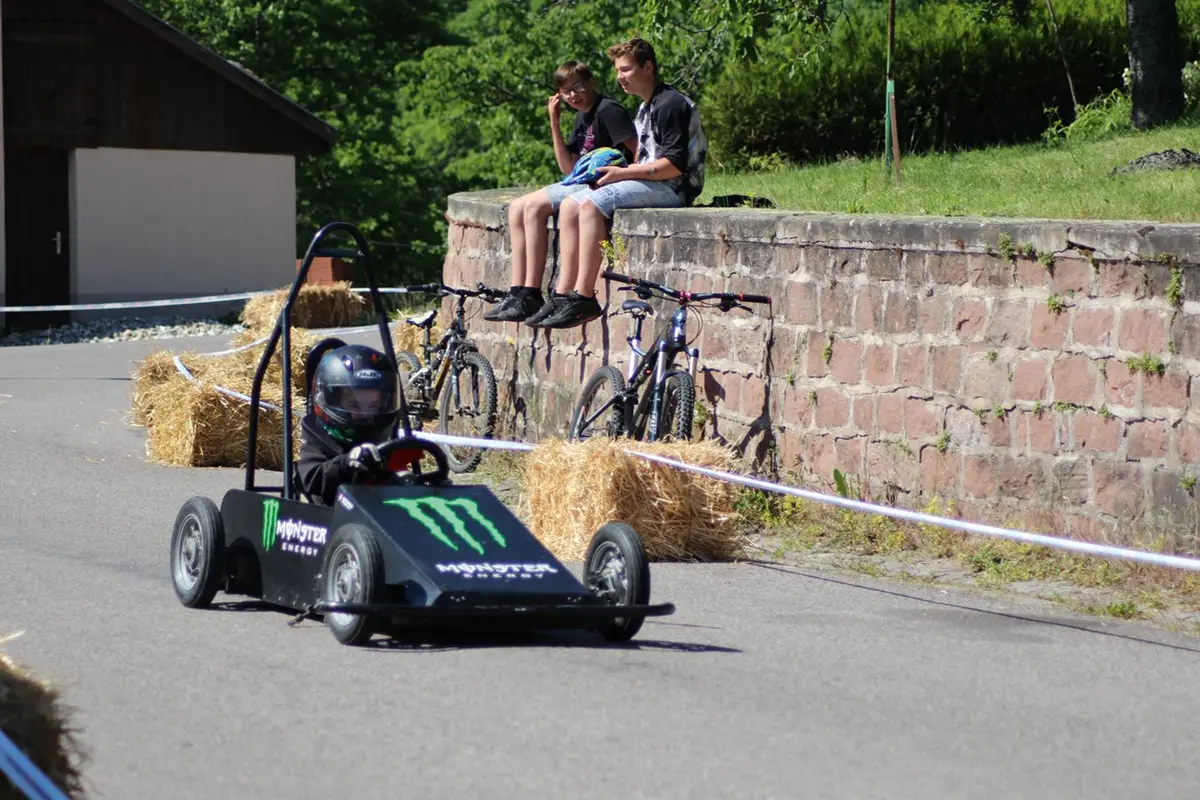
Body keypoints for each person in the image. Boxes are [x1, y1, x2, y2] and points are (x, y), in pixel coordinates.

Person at [533, 38, 708, 330]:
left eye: (626, 70)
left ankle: (584, 297)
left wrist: (623, 173)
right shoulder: (645, 107)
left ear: (648, 67)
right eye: (617, 71)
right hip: (653, 182)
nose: (620, 77)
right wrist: (622, 172)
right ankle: (563, 294)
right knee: (570, 205)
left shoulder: (670, 103)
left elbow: (674, 165)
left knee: (590, 205)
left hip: (673, 188)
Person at [484, 60, 638, 324]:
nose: (573, 95)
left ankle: (531, 293)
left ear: (592, 83)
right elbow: (569, 168)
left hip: (602, 182)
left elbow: (636, 149)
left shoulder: (608, 110)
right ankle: (520, 290)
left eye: (577, 87)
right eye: (566, 91)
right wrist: (554, 121)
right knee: (517, 207)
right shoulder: (582, 117)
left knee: (533, 207)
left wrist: (626, 176)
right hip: (580, 180)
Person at [298, 343, 422, 506]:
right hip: (331, 513)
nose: (365, 415)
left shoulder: (386, 439)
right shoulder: (317, 435)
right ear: (331, 399)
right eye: (355, 406)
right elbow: (309, 479)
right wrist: (346, 463)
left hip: (380, 511)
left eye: (373, 406)